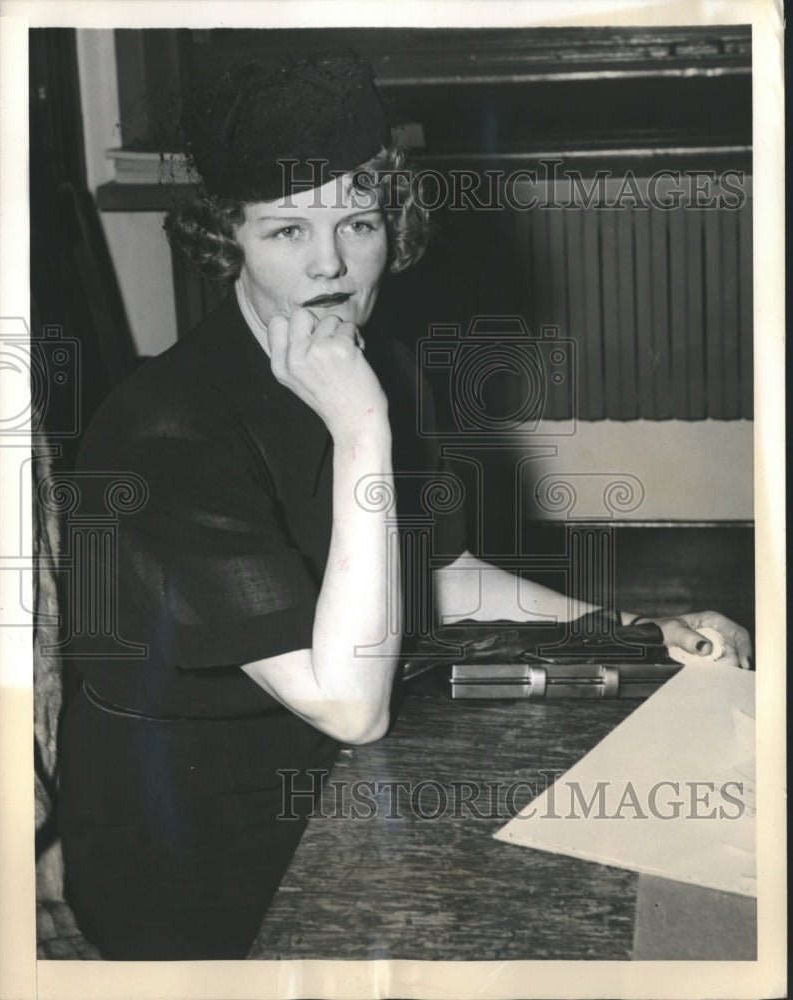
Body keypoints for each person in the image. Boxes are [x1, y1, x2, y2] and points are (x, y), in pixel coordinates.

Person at [57, 51, 752, 961]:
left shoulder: (363, 366)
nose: (333, 266)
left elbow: (442, 576)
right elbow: (349, 708)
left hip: (345, 779)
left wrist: (624, 628)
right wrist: (361, 432)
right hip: (212, 859)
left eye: (357, 221)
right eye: (286, 232)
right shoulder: (168, 436)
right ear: (227, 239)